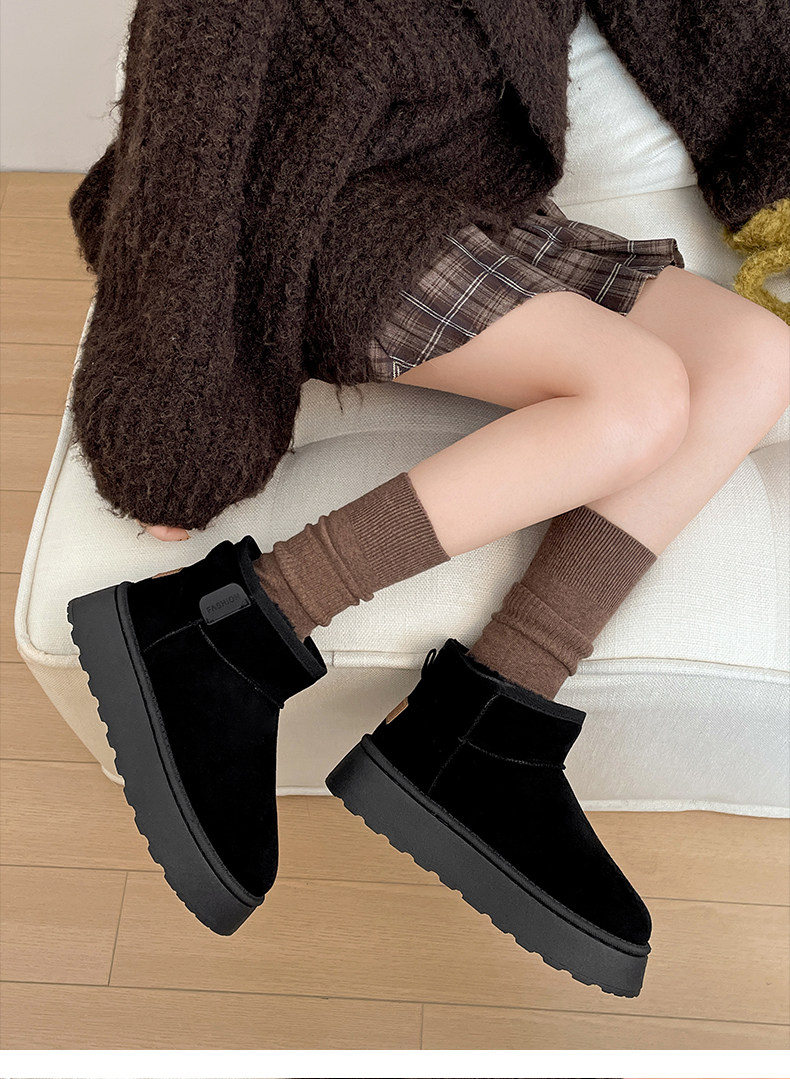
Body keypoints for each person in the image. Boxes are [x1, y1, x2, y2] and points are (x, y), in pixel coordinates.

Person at [65, 0, 790, 998]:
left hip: (473, 206)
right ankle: (227, 625)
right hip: (312, 208)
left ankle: (484, 724)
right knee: (639, 397)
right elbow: (185, 144)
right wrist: (173, 428)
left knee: (752, 355)